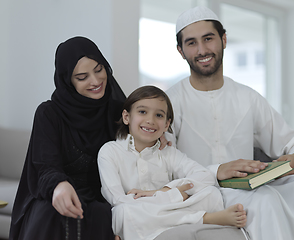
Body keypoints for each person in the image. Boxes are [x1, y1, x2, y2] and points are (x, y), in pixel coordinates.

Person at [165, 6, 294, 240]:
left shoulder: (247, 97)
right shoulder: (168, 103)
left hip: (249, 186)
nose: (202, 50)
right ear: (180, 51)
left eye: (208, 39)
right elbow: (163, 166)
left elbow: (291, 140)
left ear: (224, 39)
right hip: (202, 193)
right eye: (191, 43)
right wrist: (216, 172)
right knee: (265, 201)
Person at [9, 36, 126, 240]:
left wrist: (157, 139)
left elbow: (140, 142)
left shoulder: (119, 111)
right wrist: (59, 185)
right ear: (68, 81)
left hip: (105, 198)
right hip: (59, 197)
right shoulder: (49, 113)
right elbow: (45, 167)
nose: (96, 81)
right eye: (82, 77)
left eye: (99, 70)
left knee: (104, 212)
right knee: (50, 212)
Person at [97, 85, 247, 240]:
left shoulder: (168, 153)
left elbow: (205, 176)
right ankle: (205, 218)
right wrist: (173, 196)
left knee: (211, 194)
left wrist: (166, 190)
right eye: (142, 112)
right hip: (140, 211)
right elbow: (117, 199)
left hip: (168, 209)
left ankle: (164, 225)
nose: (150, 120)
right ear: (127, 117)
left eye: (159, 115)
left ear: (167, 125)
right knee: (122, 213)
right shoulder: (109, 151)